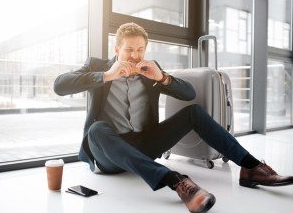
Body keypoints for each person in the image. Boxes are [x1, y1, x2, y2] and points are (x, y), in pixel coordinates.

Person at [54, 22, 293, 213]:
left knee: (194, 113)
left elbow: (188, 93)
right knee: (97, 129)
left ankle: (251, 168)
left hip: (144, 144)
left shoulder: (151, 69)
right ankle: (176, 182)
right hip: (108, 154)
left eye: (140, 50)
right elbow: (60, 86)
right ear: (116, 50)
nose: (136, 56)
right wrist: (106, 76)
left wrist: (162, 78)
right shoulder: (97, 66)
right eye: (129, 50)